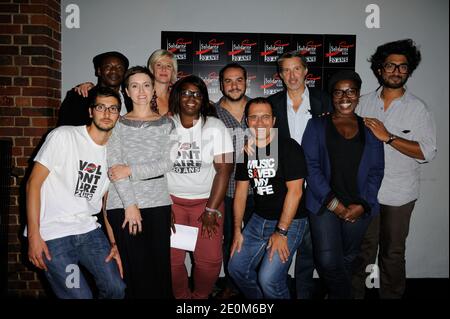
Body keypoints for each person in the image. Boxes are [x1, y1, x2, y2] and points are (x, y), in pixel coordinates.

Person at [353, 39, 437, 299]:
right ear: (380, 69)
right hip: (366, 193)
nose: (397, 71)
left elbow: (427, 152)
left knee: (392, 252)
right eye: (391, 65)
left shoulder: (418, 108)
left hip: (399, 195)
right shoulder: (362, 103)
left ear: (409, 71)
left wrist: (388, 136)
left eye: (403, 67)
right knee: (362, 251)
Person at [25, 87, 125, 299]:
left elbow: (107, 202)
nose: (107, 113)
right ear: (91, 111)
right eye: (101, 107)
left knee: (116, 287)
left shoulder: (115, 152)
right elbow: (33, 184)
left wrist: (114, 243)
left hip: (89, 231)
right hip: (53, 234)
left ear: (118, 114)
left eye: (113, 109)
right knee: (79, 296)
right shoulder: (63, 136)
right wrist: (34, 235)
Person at [301, 70, 384, 299]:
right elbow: (311, 167)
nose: (344, 97)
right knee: (327, 260)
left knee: (348, 258)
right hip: (324, 204)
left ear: (358, 95)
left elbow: (376, 171)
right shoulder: (316, 125)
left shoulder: (371, 128)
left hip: (359, 204)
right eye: (338, 92)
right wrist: (334, 204)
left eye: (351, 91)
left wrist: (363, 204)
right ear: (332, 95)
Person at [105, 66, 177, 299]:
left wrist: (131, 169)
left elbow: (168, 163)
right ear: (126, 91)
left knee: (159, 272)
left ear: (153, 88)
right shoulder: (117, 124)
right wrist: (130, 205)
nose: (141, 91)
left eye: (146, 85)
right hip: (124, 206)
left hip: (158, 204)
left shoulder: (167, 124)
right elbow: (115, 169)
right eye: (134, 86)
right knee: (136, 273)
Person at [228, 97, 308, 299]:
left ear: (273, 121)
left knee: (269, 279)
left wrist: (281, 232)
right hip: (259, 218)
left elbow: (296, 192)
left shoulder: (289, 147)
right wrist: (237, 230)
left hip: (291, 221)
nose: (259, 122)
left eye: (265, 117)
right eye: (254, 117)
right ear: (247, 121)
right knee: (236, 268)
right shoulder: (247, 151)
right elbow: (240, 194)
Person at [268, 50, 332, 299]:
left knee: (309, 248)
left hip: (316, 184)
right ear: (280, 75)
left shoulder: (324, 100)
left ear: (306, 71)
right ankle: (279, 291)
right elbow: (268, 146)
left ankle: (304, 293)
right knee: (280, 248)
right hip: (284, 186)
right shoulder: (272, 104)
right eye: (286, 70)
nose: (292, 75)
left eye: (297, 69)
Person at [167, 75, 234, 299]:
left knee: (210, 260)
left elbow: (224, 170)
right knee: (171, 259)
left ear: (204, 99)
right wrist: (164, 206)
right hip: (172, 203)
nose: (191, 98)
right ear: (177, 96)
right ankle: (182, 298)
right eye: (186, 92)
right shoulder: (165, 125)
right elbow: (155, 169)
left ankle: (200, 299)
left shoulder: (215, 126)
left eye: (197, 94)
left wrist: (211, 209)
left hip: (206, 203)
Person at [213, 63, 254, 299]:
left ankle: (252, 282)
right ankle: (230, 284)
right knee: (230, 239)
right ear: (220, 84)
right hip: (225, 191)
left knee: (257, 240)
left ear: (246, 81)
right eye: (228, 81)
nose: (234, 85)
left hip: (258, 190)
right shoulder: (210, 112)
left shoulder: (260, 108)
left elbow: (273, 147)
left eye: (239, 80)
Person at [57, 51, 129, 126]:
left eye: (119, 68)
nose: (114, 70)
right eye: (108, 66)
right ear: (99, 71)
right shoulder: (79, 96)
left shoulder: (131, 100)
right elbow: (65, 129)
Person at [147, 49, 178, 115]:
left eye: (168, 66)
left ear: (173, 71)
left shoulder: (178, 98)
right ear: (152, 69)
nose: (164, 69)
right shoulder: (143, 96)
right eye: (159, 65)